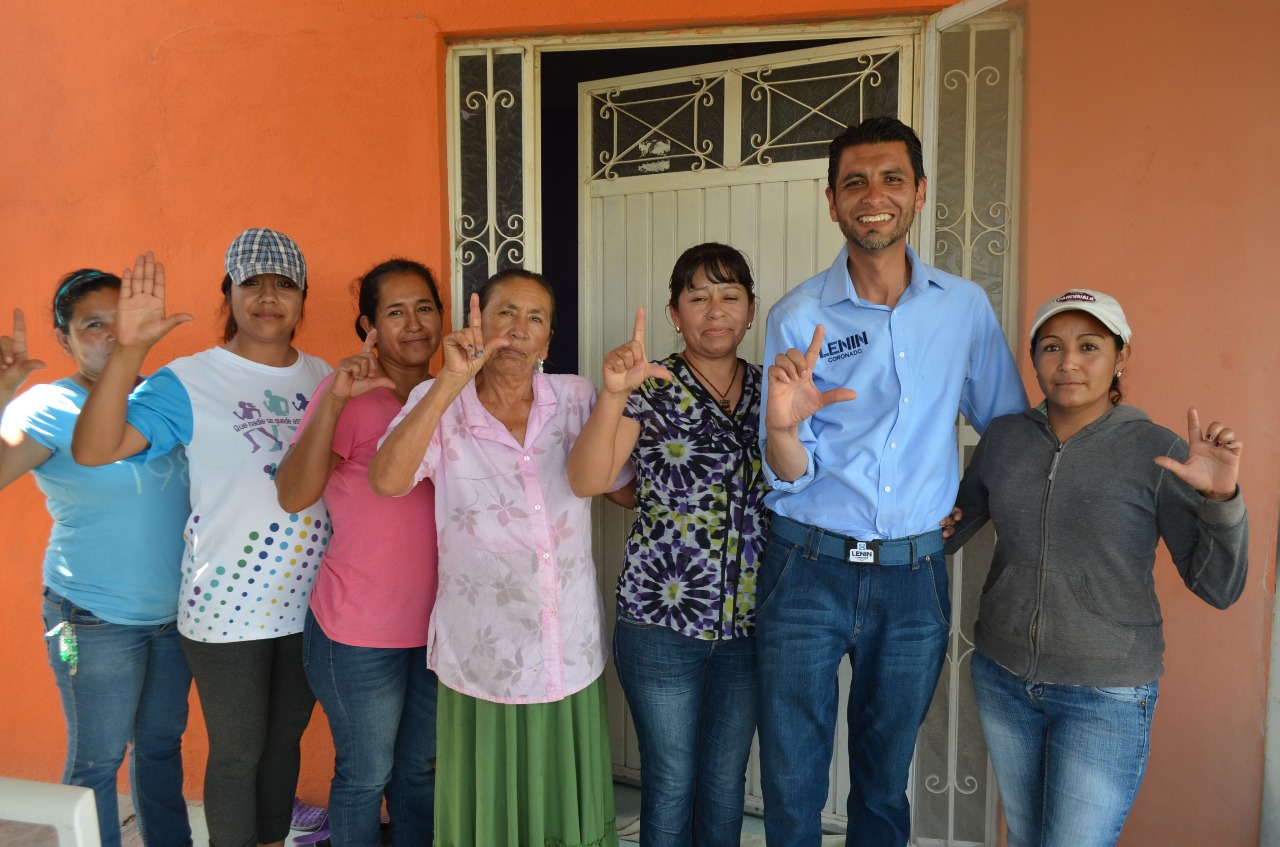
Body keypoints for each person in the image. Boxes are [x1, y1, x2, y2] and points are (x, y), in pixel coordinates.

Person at [757, 115, 1027, 847]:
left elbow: (1005, 427)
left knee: (883, 780)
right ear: (832, 201)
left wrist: (966, 510)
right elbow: (786, 471)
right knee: (791, 779)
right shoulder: (797, 316)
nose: (872, 195)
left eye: (890, 179)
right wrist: (784, 426)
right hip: (804, 566)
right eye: (854, 183)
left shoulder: (962, 307)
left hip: (912, 579)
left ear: (919, 193)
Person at [943, 289, 1248, 847]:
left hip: (1104, 694)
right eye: (1051, 347)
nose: (1068, 363)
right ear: (1033, 358)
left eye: (1089, 346)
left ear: (1120, 357)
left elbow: (1219, 587)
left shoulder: (1156, 451)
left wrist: (1221, 500)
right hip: (1003, 676)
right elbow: (948, 528)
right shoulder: (1006, 439)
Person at [72, 231, 333, 847]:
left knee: (282, 747)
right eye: (252, 282)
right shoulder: (188, 380)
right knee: (238, 755)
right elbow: (95, 449)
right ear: (230, 293)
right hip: (227, 607)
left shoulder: (323, 374)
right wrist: (130, 352)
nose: (268, 296)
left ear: (302, 297)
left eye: (285, 283)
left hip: (314, 602)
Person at [369, 269, 627, 847]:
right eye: (506, 312)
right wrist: (447, 383)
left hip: (567, 644)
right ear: (478, 319)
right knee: (491, 810)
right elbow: (387, 480)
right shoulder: (437, 402)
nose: (519, 329)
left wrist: (628, 405)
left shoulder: (578, 397)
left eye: (535, 319)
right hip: (484, 649)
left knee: (564, 803)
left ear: (549, 339)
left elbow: (617, 485)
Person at [567, 242, 767, 846]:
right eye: (697, 297)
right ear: (675, 314)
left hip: (751, 622)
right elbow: (590, 480)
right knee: (673, 778)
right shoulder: (649, 386)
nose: (715, 310)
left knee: (725, 780)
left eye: (729, 296)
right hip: (660, 620)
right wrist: (613, 393)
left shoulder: (771, 390)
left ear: (751, 311)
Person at [0, 272, 192, 847]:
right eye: (93, 325)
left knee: (160, 749)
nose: (113, 335)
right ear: (65, 340)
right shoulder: (47, 406)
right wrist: (3, 394)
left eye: (121, 320)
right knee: (98, 761)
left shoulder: (161, 394)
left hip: (174, 617)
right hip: (92, 619)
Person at [275, 258, 444, 847]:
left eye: (424, 307)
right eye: (394, 311)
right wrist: (334, 402)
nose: (414, 323)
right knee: (365, 776)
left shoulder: (448, 392)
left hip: (437, 630)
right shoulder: (347, 393)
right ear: (368, 325)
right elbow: (294, 493)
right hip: (357, 633)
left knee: (419, 774)